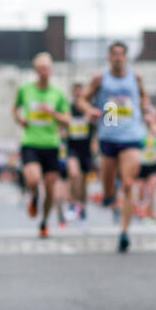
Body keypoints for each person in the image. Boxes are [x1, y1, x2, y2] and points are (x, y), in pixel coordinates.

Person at [78, 41, 155, 253]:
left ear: (126, 57)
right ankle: (110, 194)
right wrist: (89, 110)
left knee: (129, 184)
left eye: (122, 54)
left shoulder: (135, 77)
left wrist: (146, 108)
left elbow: (144, 96)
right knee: (109, 185)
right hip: (109, 133)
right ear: (109, 57)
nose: (118, 58)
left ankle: (124, 232)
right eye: (114, 54)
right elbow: (83, 100)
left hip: (131, 135)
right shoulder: (100, 78)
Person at [12, 52, 72, 238]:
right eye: (40, 69)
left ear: (51, 70)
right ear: (35, 71)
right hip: (30, 142)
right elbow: (15, 108)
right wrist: (19, 119)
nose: (43, 72)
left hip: (51, 145)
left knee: (51, 189)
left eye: (46, 68)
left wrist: (53, 113)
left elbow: (67, 120)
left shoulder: (58, 94)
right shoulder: (26, 90)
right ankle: (34, 196)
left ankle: (44, 222)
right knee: (33, 179)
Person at [64, 82, 95, 221]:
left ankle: (82, 206)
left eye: (80, 91)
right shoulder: (68, 108)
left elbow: (99, 125)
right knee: (74, 173)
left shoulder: (89, 109)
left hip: (86, 148)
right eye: (76, 91)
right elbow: (62, 123)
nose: (78, 94)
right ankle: (72, 203)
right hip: (72, 147)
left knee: (83, 182)